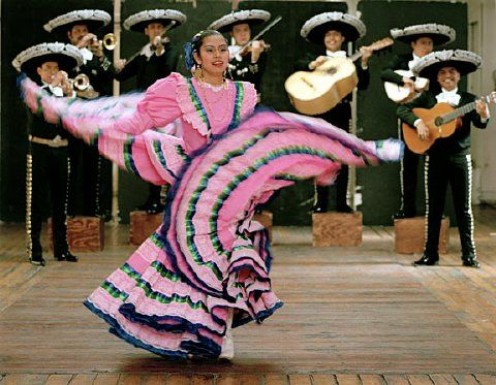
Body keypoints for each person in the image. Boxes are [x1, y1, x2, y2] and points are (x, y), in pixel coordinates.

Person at [18, 30, 402, 359]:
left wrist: (289, 165)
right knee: (194, 259)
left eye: (223, 50)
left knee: (225, 251)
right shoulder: (176, 89)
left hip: (231, 191)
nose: (220, 56)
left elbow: (253, 139)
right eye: (211, 51)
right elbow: (137, 121)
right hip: (192, 188)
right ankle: (204, 333)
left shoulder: (243, 93)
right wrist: (95, 120)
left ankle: (211, 332)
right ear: (196, 59)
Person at [397, 49, 490, 268]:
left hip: (460, 158)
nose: (447, 76)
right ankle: (431, 254)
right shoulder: (429, 98)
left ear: (459, 75)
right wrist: (419, 123)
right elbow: (403, 110)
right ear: (437, 77)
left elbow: (481, 123)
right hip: (435, 158)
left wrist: (484, 113)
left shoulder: (469, 99)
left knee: (463, 209)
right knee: (434, 208)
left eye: (452, 72)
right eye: (442, 73)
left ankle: (469, 255)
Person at [12, 42, 82, 266]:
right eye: (48, 67)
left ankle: (62, 249)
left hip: (61, 151)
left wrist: (70, 93)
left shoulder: (64, 93)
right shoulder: (33, 92)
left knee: (61, 202)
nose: (53, 72)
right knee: (37, 202)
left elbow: (74, 119)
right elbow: (45, 110)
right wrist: (59, 92)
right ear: (40, 71)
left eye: (56, 68)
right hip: (40, 150)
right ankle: (35, 250)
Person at [297, 11, 373, 213]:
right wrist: (313, 65)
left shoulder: (350, 61)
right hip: (321, 111)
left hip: (341, 111)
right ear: (324, 39)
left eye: (336, 35)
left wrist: (364, 63)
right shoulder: (315, 59)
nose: (332, 38)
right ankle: (321, 202)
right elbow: (299, 66)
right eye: (328, 35)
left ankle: (341, 202)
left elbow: (363, 85)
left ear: (343, 38)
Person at [114, 8, 187, 214]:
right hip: (146, 112)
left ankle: (168, 199)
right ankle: (153, 198)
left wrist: (159, 52)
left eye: (159, 27)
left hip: (165, 112)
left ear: (164, 31)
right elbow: (121, 76)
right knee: (149, 155)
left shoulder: (169, 50)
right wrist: (116, 66)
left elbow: (168, 72)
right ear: (146, 31)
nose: (156, 30)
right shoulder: (143, 53)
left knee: (165, 154)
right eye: (152, 27)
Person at [44, 9, 114, 219]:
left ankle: (93, 210)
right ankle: (69, 210)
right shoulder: (65, 58)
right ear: (70, 36)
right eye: (77, 31)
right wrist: (79, 50)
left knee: (94, 165)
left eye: (85, 31)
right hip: (71, 118)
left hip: (93, 118)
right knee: (71, 165)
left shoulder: (96, 56)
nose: (82, 34)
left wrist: (101, 55)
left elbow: (110, 76)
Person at [381, 24, 456, 219]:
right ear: (413, 44)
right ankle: (408, 208)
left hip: (432, 117)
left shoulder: (436, 65)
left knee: (435, 166)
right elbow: (385, 73)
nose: (427, 47)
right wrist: (404, 80)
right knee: (409, 166)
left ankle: (435, 210)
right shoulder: (402, 61)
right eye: (423, 43)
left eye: (430, 43)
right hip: (409, 116)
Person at [208, 9, 271, 101]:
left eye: (246, 30)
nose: (243, 34)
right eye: (238, 31)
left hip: (253, 103)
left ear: (250, 31)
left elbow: (253, 77)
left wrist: (254, 58)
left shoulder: (258, 51)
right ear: (232, 34)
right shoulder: (225, 54)